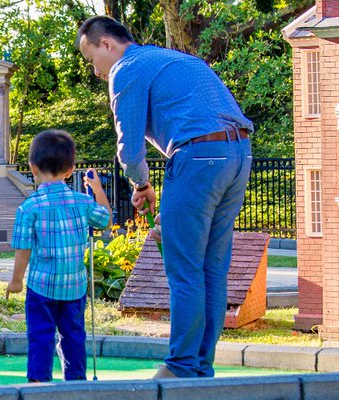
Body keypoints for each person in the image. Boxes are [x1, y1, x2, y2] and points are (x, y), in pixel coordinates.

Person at [77, 16, 253, 379]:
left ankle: (181, 367)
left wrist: (141, 184)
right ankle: (201, 366)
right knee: (212, 269)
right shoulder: (175, 59)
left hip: (199, 157)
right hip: (239, 155)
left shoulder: (126, 69)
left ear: (107, 44)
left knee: (185, 268)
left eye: (92, 60)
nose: (96, 72)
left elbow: (128, 148)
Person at [5, 130, 111, 383]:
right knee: (74, 334)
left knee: (40, 334)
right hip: (74, 286)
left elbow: (23, 248)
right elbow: (106, 219)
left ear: (32, 167)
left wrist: (16, 280)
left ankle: (39, 382)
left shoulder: (29, 207)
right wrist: (96, 189)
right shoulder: (81, 202)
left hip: (42, 285)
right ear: (70, 170)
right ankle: (75, 382)